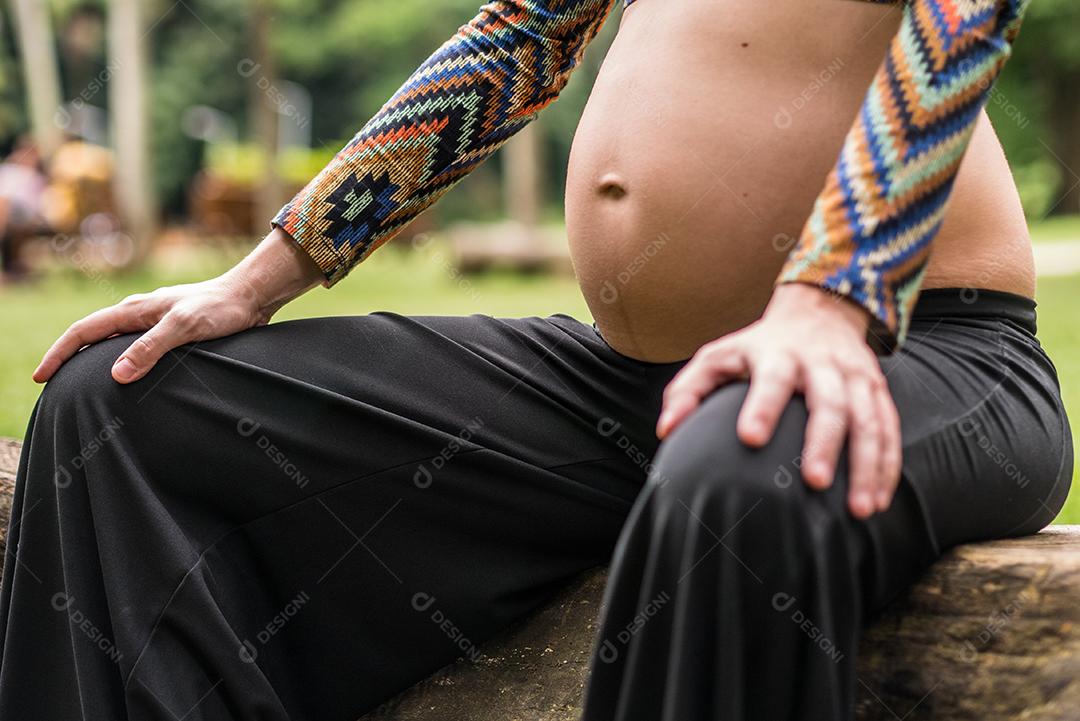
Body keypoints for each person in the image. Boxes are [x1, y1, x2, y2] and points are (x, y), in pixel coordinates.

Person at [0, 0, 1071, 719]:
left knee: (739, 471)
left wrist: (831, 300)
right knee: (131, 396)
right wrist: (259, 279)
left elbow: (964, 18)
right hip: (643, 386)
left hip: (918, 354)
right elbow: (524, 37)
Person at [0, 136, 49, 281]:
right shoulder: (8, 171)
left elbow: (40, 207)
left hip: (25, 216)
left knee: (4, 203)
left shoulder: (38, 178)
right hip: (10, 215)